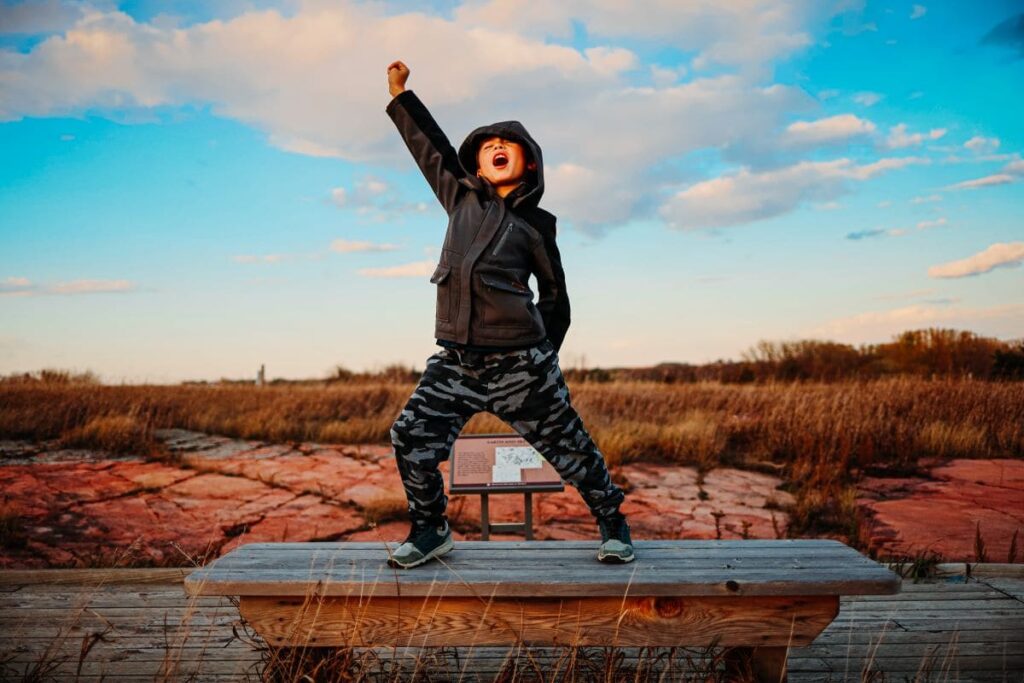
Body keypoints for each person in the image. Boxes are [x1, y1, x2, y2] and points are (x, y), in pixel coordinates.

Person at [383, 60, 633, 569]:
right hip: (456, 363)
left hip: (521, 365)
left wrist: (543, 358)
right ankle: (431, 528)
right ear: (475, 165)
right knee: (410, 436)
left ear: (531, 163)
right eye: (487, 145)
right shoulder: (459, 198)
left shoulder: (537, 225)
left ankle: (612, 520)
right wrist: (400, 95)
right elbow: (429, 146)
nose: (496, 147)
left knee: (570, 448)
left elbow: (557, 298)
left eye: (508, 143)